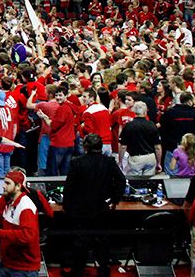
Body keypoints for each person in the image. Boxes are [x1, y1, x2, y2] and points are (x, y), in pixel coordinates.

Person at [63, 133, 128, 277]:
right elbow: (121, 181)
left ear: (85, 147)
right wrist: (114, 200)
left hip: (81, 210)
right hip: (102, 209)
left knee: (81, 243)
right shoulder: (109, 162)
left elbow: (69, 187)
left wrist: (67, 206)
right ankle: (104, 271)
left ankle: (77, 272)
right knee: (102, 242)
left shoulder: (77, 162)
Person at [0, 170, 42, 277]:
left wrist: (0, 233)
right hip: (7, 263)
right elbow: (5, 223)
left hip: (23, 268)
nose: (3, 186)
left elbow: (27, 236)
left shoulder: (26, 207)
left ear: (18, 186)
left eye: (7, 183)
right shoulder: (11, 202)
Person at [119, 101, 160, 175]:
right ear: (145, 111)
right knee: (148, 182)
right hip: (150, 157)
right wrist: (159, 162)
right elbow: (157, 147)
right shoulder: (152, 125)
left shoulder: (129, 126)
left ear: (134, 111)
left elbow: (123, 146)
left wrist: (120, 160)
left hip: (136, 158)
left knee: (135, 183)